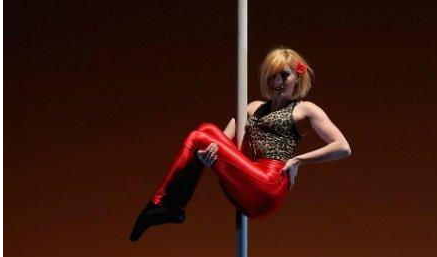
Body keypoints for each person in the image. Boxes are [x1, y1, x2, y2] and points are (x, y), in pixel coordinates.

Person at [129, 47, 351, 242]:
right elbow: (221, 141)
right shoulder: (252, 107)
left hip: (269, 184)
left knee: (202, 133)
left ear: (297, 77)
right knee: (205, 133)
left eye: (284, 75)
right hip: (248, 179)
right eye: (272, 76)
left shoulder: (304, 109)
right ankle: (171, 207)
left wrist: (298, 160)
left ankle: (165, 204)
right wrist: (207, 158)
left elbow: (342, 146)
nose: (277, 82)